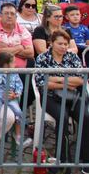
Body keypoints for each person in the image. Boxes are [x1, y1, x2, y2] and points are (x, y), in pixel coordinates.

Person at [34, 29, 89, 166]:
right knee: (62, 118)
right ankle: (63, 159)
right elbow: (42, 83)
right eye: (60, 44)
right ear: (51, 43)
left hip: (73, 96)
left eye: (66, 44)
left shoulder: (72, 57)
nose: (64, 47)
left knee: (86, 117)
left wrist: (56, 79)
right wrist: (68, 82)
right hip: (50, 97)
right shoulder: (42, 58)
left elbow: (81, 80)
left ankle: (85, 158)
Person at [0, 52, 31, 149]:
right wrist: (4, 73)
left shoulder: (15, 74)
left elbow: (19, 85)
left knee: (19, 113)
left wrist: (15, 94)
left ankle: (18, 135)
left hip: (10, 97)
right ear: (6, 64)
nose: (15, 65)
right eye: (13, 63)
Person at [0, 2, 34, 68]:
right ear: (0, 15)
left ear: (16, 17)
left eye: (12, 14)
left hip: (21, 71)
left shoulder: (22, 30)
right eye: (6, 13)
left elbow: (30, 53)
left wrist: (6, 48)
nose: (9, 16)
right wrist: (19, 47)